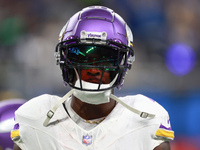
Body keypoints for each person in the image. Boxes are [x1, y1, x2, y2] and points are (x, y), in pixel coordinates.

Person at [11, 6, 174, 150]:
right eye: (82, 57)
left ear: (124, 63)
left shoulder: (145, 120)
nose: (93, 69)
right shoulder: (36, 118)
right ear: (64, 60)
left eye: (106, 58)